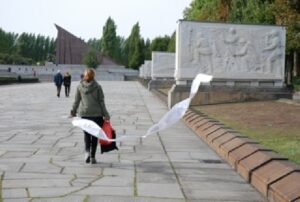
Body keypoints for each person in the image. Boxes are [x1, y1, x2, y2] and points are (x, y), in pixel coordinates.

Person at [70, 68, 110, 164]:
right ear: (93, 76)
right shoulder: (98, 87)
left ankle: (87, 152)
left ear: (85, 76)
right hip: (97, 115)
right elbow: (101, 102)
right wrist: (106, 114)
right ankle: (92, 157)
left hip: (84, 114)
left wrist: (73, 111)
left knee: (87, 134)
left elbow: (76, 101)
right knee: (95, 136)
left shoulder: (80, 86)